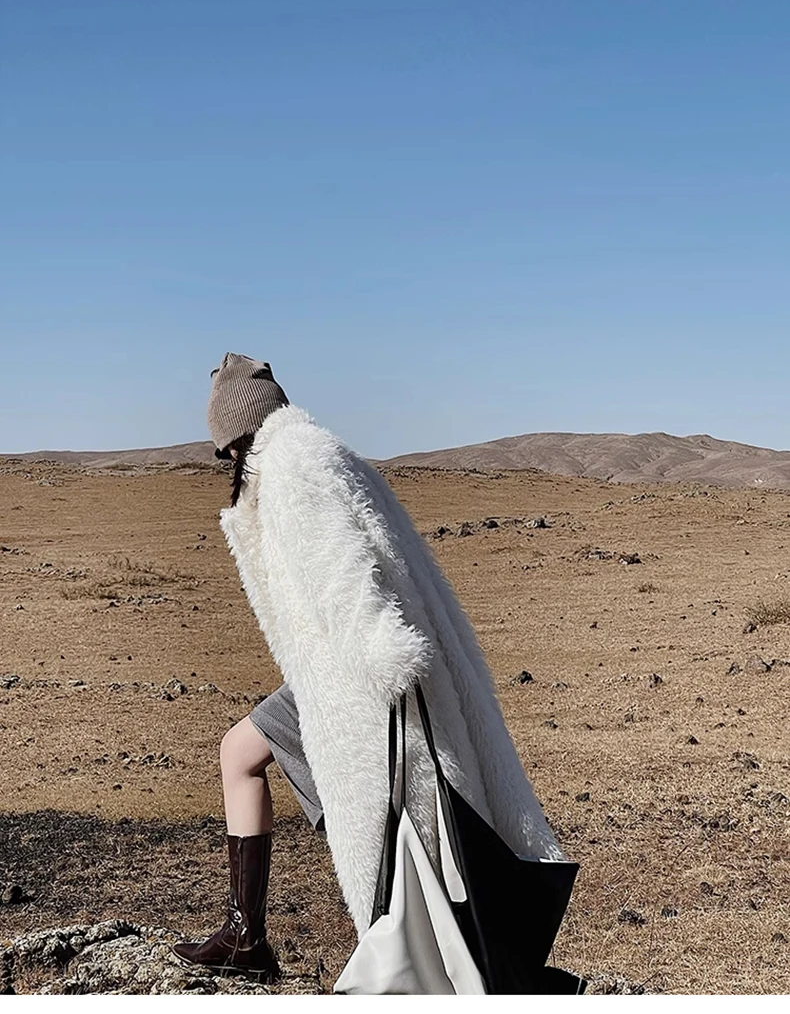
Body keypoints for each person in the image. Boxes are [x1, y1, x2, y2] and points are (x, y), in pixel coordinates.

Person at [172, 351, 567, 986]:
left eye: (226, 450)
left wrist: (385, 662)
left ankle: (432, 967)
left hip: (358, 677)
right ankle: (246, 935)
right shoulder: (321, 452)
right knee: (241, 752)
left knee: (403, 840)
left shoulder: (294, 465)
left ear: (238, 431)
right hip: (330, 674)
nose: (228, 463)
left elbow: (346, 573)